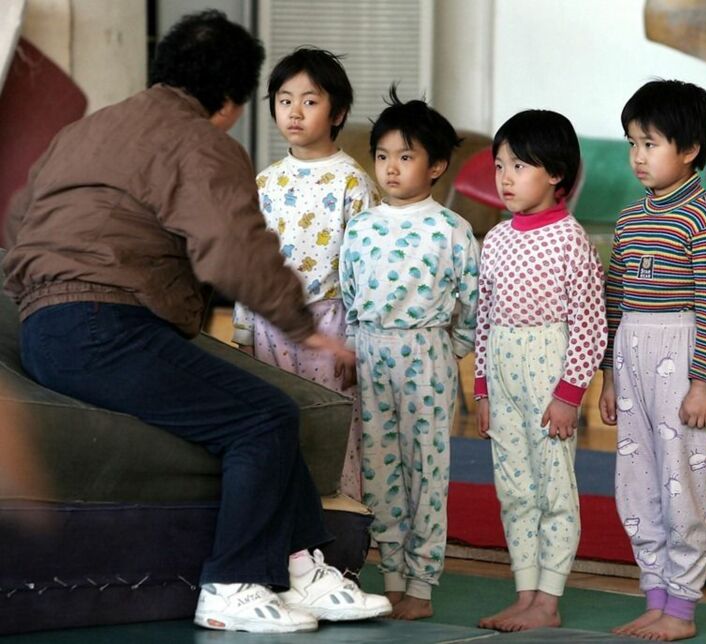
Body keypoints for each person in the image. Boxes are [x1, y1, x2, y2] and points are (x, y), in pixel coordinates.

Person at [2, 10, 389, 634]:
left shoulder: (85, 131)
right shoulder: (202, 143)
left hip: (47, 325)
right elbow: (233, 245)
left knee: (261, 407)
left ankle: (302, 566)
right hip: (106, 327)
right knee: (263, 418)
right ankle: (231, 584)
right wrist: (301, 323)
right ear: (233, 100)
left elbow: (19, 220)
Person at [599, 80, 706, 642]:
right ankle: (654, 595)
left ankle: (681, 607)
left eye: (650, 144)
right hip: (630, 356)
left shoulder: (704, 217)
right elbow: (614, 298)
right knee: (636, 481)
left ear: (690, 149)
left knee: (681, 482)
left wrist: (702, 382)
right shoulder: (630, 220)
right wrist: (607, 375)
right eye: (632, 142)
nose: (637, 156)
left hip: (679, 359)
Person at [339, 86, 480, 620]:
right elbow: (350, 296)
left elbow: (471, 303)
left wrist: (452, 350)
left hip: (428, 355)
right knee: (379, 470)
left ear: (438, 165)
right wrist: (356, 347)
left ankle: (421, 584)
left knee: (428, 471)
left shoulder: (452, 230)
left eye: (405, 156)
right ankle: (391, 576)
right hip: (372, 354)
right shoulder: (361, 226)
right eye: (382, 156)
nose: (390, 168)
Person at [475, 110, 607, 632]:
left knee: (553, 489)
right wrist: (482, 388)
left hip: (549, 372)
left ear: (555, 173)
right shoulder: (498, 239)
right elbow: (484, 318)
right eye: (500, 165)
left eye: (520, 165)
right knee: (514, 489)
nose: (505, 177)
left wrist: (569, 394)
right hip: (503, 371)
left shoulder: (570, 239)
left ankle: (548, 601)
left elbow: (591, 326)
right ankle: (524, 593)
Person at [232, 47, 379, 501]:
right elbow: (247, 257)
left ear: (338, 112)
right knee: (275, 425)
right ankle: (284, 539)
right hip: (269, 324)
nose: (294, 112)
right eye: (284, 99)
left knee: (331, 426)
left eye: (310, 101)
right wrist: (242, 326)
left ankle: (337, 531)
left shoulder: (353, 182)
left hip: (328, 324)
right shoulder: (264, 181)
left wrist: (353, 337)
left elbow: (363, 270)